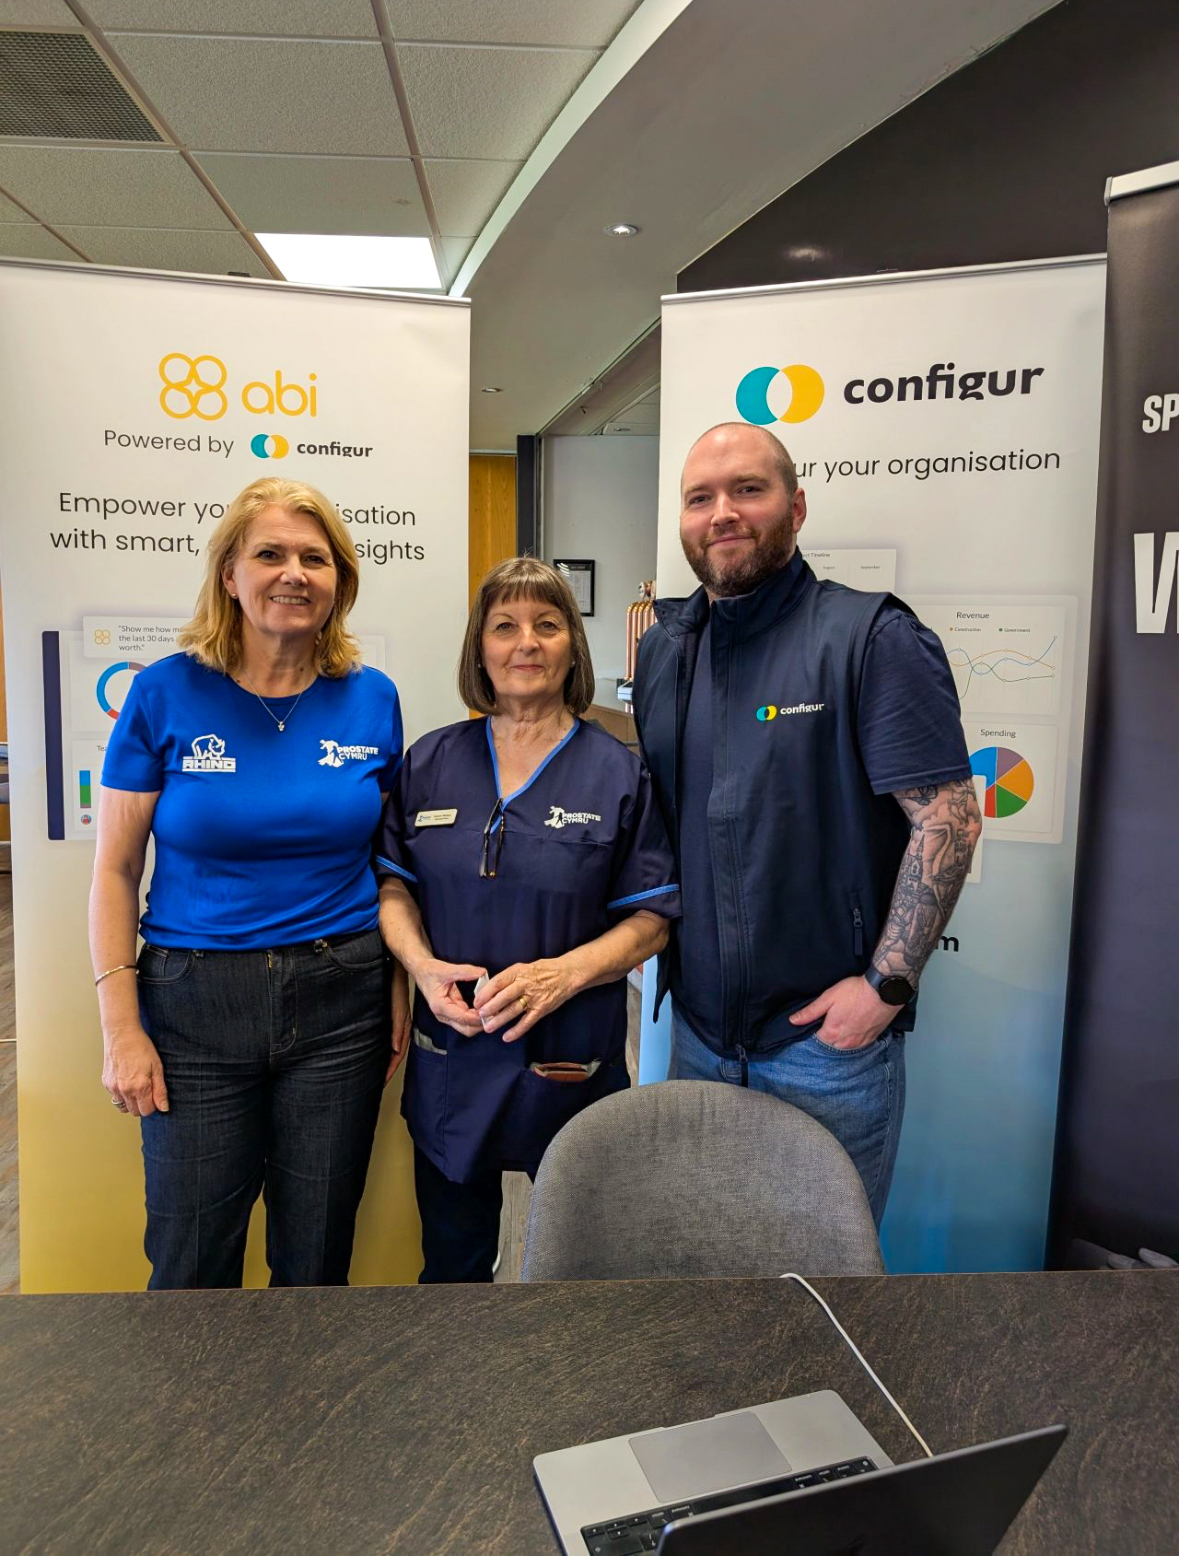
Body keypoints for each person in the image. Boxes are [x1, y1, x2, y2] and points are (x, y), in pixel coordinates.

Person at [633, 423, 981, 1224]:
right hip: (696, 1038)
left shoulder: (871, 636)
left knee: (825, 1285)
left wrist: (886, 985)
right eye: (699, 498)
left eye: (746, 490)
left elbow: (948, 819)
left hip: (824, 1050)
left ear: (795, 507)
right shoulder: (664, 651)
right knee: (703, 1263)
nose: (722, 513)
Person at [91, 476, 408, 1289]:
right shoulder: (162, 691)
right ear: (229, 574)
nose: (292, 573)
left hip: (343, 1001)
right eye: (269, 553)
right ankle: (197, 1420)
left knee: (315, 1256)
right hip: (192, 1005)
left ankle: (301, 1417)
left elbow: (391, 860)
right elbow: (116, 870)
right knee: (191, 1260)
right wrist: (121, 1028)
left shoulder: (371, 699)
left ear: (340, 579)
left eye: (315, 557)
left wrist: (397, 987)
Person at [376, 557, 680, 1283]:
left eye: (547, 626)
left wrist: (562, 976)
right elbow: (393, 886)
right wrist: (419, 967)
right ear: (479, 647)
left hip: (568, 1053)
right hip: (454, 1057)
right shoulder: (431, 761)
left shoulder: (617, 771)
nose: (526, 643)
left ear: (571, 644)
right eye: (504, 626)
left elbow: (652, 917)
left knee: (579, 1263)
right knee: (450, 1262)